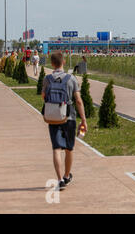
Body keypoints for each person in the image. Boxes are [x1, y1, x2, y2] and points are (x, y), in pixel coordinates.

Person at [41, 52, 88, 190]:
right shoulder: (71, 78)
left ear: (52, 63)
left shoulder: (47, 79)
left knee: (56, 148)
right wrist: (83, 119)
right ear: (64, 62)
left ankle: (60, 179)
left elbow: (43, 96)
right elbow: (78, 100)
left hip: (53, 117)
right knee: (68, 148)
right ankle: (67, 176)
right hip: (69, 117)